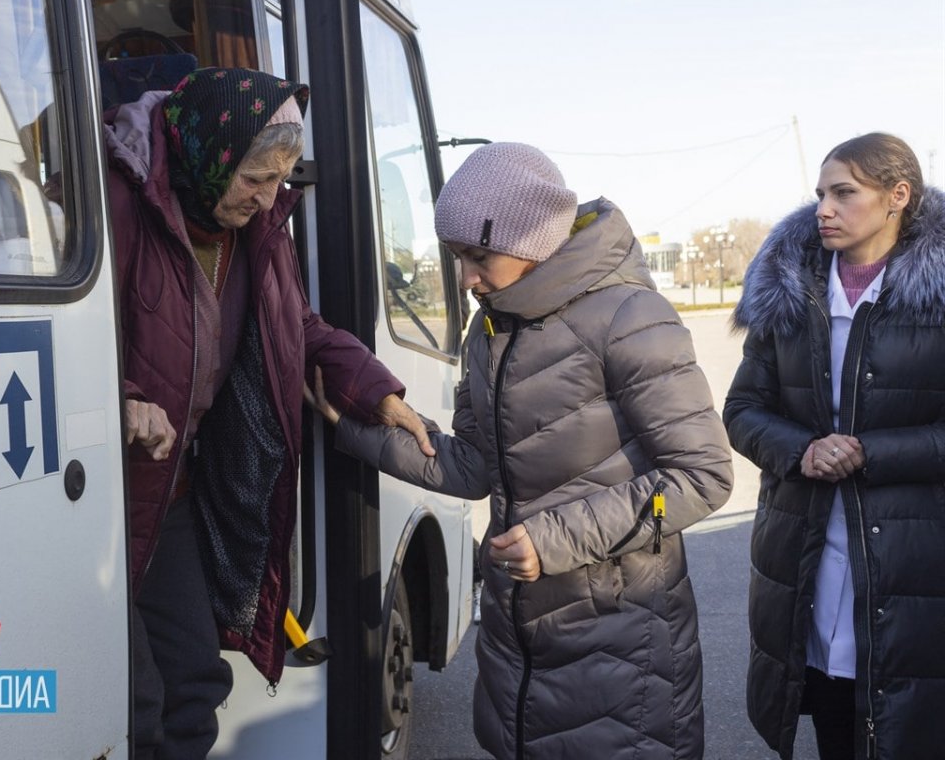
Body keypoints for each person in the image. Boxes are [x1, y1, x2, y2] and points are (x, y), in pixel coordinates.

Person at [307, 142, 734, 759]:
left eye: (479, 256)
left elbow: (703, 477)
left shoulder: (631, 315)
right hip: (519, 640)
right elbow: (473, 464)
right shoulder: (490, 330)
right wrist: (348, 425)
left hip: (621, 642)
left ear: (536, 240)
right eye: (456, 257)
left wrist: (553, 540)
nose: (467, 278)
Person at [103, 67, 433, 759]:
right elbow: (71, 330)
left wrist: (380, 394)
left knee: (193, 688)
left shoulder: (256, 231)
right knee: (129, 704)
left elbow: (300, 328)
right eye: (254, 177)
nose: (265, 198)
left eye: (280, 179)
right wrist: (122, 395)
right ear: (208, 150)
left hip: (170, 491)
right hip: (98, 496)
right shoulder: (116, 205)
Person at [723, 132, 945, 760]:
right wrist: (804, 450)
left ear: (897, 196)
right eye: (821, 193)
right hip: (806, 561)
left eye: (844, 193)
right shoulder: (788, 290)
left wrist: (871, 452)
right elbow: (741, 411)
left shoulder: (937, 299)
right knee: (835, 727)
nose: (824, 207)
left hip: (915, 571)